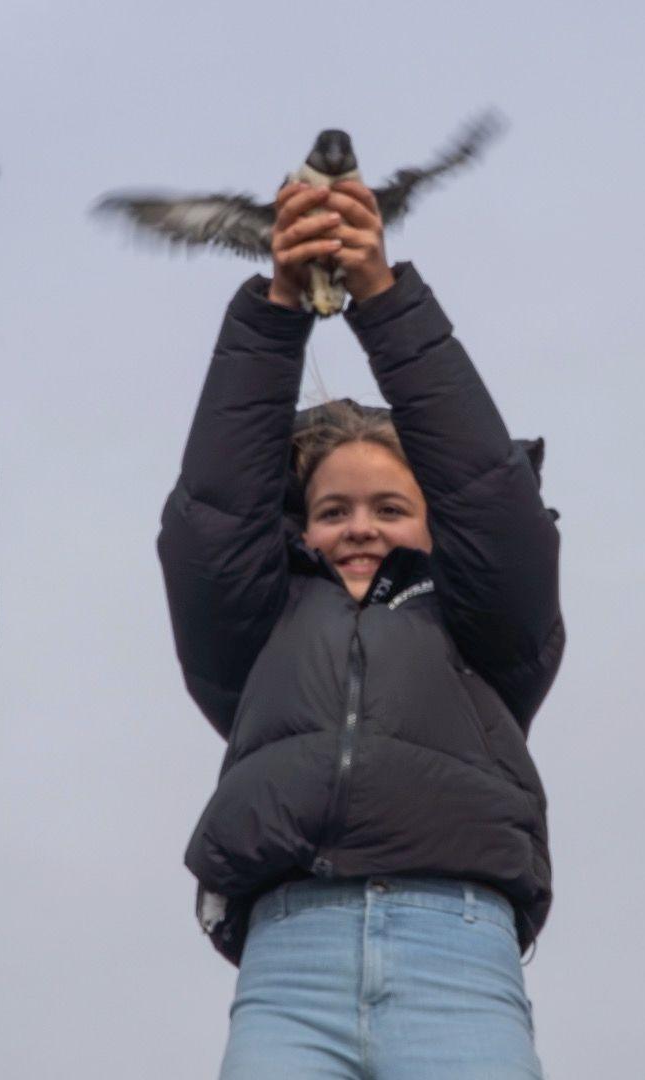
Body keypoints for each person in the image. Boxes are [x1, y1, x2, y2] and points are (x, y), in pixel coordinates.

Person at [157, 179, 564, 1079]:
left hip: (457, 947)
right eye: (332, 510)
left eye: (390, 507)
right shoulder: (262, 626)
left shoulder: (482, 624)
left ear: (434, 524)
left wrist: (381, 294)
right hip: (289, 957)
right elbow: (215, 515)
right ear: (299, 528)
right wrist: (280, 305)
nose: (360, 527)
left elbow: (491, 497)